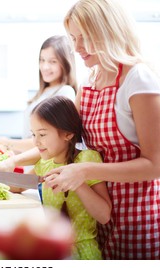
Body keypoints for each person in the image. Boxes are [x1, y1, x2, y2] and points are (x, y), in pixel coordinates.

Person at [0, 0, 160, 260]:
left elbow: (155, 165)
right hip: (98, 214)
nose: (76, 48)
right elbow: (59, 141)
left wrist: (84, 171)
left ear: (107, 31)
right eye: (73, 38)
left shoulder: (139, 79)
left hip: (138, 216)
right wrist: (10, 163)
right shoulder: (91, 82)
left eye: (83, 38)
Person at [30, 95, 111, 259]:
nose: (36, 142)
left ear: (67, 134)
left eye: (42, 134)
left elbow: (104, 216)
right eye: (33, 134)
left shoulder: (87, 159)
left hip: (82, 252)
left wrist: (77, 182)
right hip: (52, 249)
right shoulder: (44, 164)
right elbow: (18, 185)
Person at [0, 35, 77, 154]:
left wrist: (8, 143)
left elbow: (49, 140)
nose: (45, 67)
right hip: (31, 165)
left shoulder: (65, 92)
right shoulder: (42, 93)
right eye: (42, 60)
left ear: (65, 63)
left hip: (46, 167)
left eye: (53, 61)